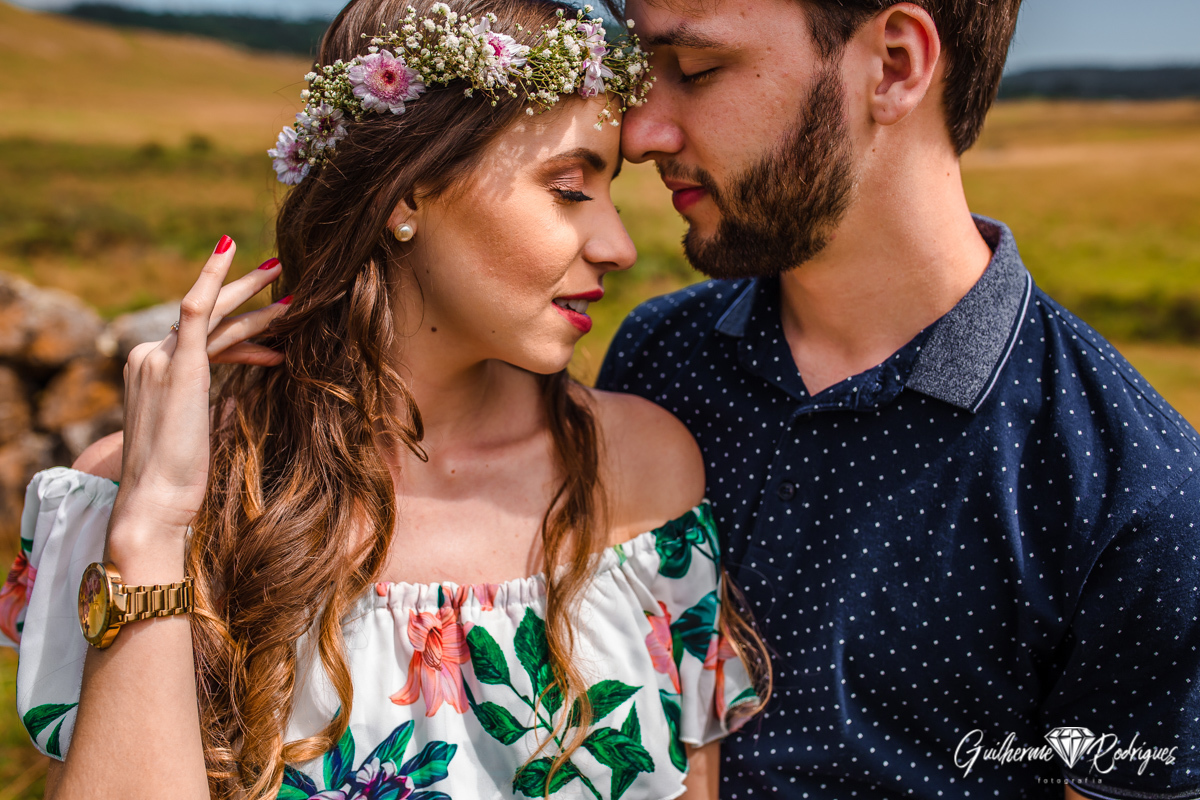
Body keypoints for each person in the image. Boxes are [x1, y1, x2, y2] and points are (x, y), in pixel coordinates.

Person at [0, 1, 771, 798]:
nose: (620, 246)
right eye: (570, 189)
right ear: (406, 195)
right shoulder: (130, 502)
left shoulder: (641, 477)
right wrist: (154, 526)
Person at [597, 0, 1200, 798]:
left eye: (698, 70)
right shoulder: (654, 361)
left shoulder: (1137, 489)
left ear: (895, 64)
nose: (640, 134)